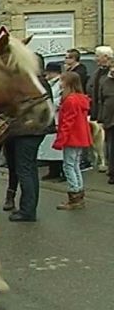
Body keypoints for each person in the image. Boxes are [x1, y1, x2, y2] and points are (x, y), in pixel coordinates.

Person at [6, 53, 54, 222]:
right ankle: (29, 207)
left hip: (26, 132)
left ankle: (27, 210)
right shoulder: (41, 81)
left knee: (24, 170)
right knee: (30, 169)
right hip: (34, 131)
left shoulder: (31, 83)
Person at [52, 71, 92, 210]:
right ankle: (79, 193)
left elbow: (67, 122)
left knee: (68, 166)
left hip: (72, 137)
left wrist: (60, 140)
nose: (60, 84)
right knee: (75, 165)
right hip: (80, 136)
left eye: (62, 81)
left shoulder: (69, 100)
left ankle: (74, 194)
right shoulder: (81, 98)